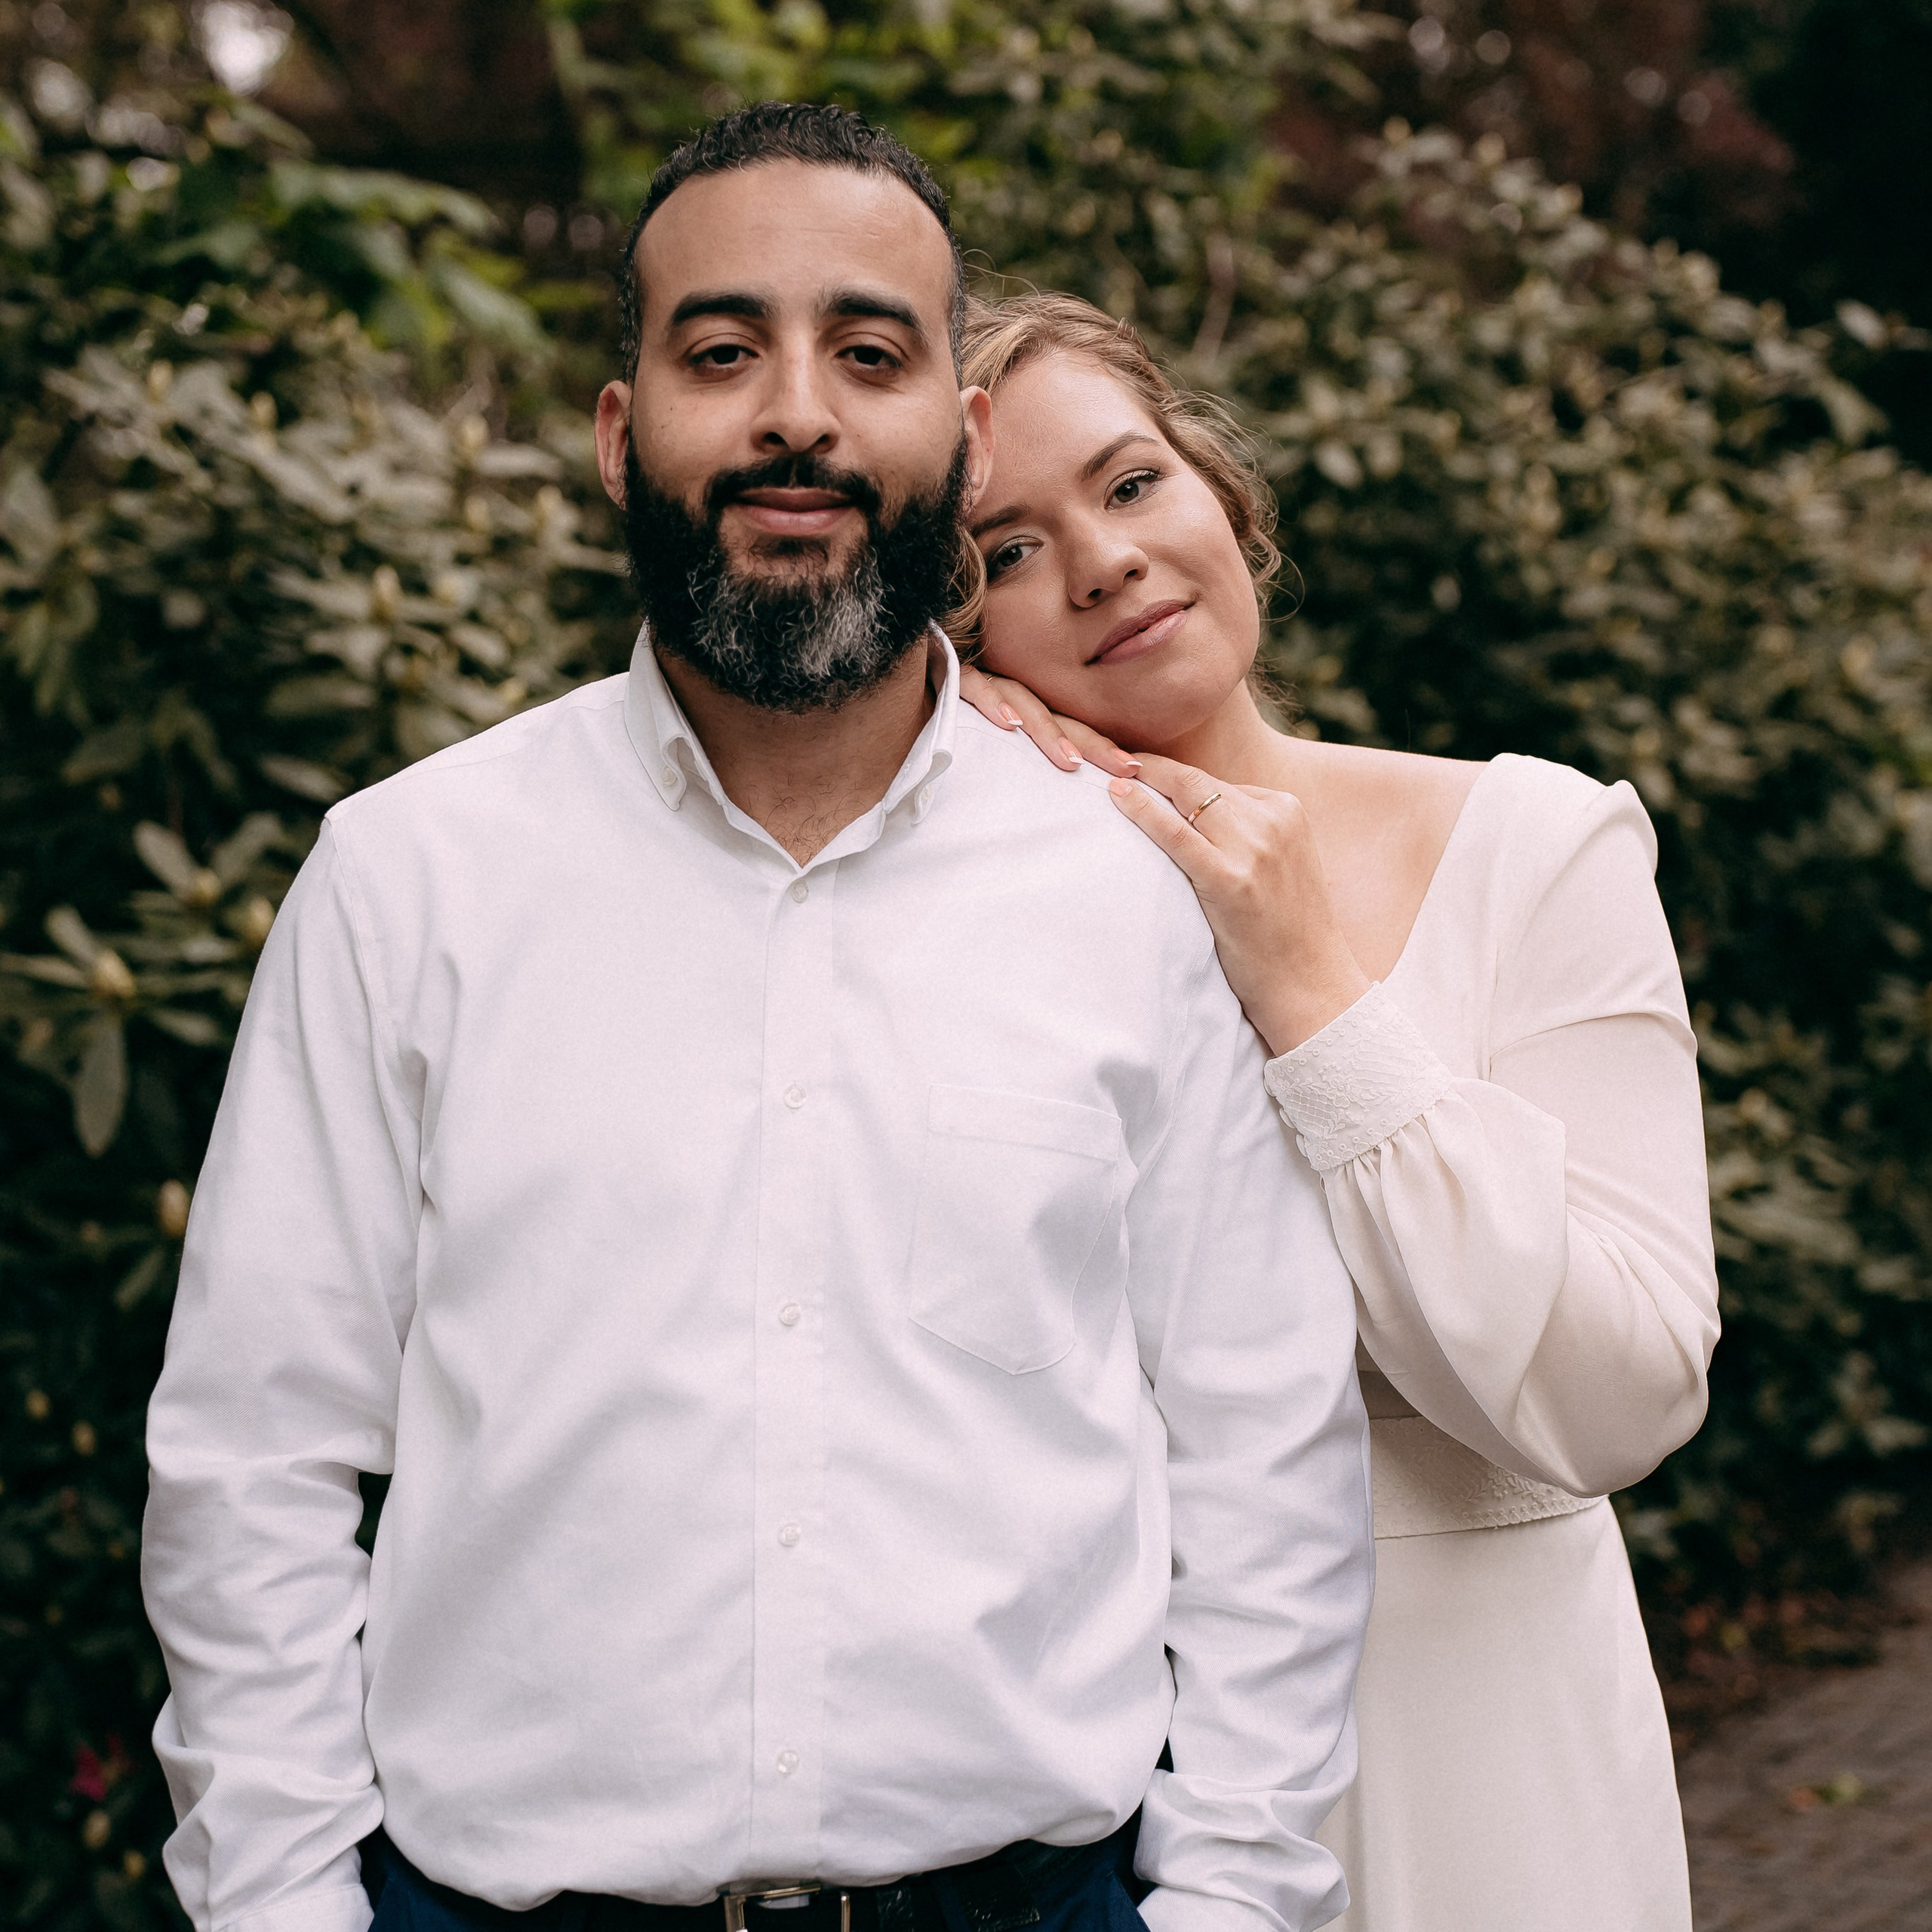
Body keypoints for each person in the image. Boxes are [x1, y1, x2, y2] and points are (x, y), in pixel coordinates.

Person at [140, 108, 1374, 1932]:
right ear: (617, 430)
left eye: (867, 353)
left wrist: (1230, 1903)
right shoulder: (406, 878)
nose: (797, 414)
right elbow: (254, 1458)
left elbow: (1261, 1450)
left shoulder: (1124, 892)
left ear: (961, 440)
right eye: (721, 352)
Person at [951, 291, 1720, 1932]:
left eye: (1132, 482)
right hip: (1092, 1777)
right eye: (1003, 552)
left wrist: (1312, 986)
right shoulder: (950, 945)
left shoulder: (1534, 848)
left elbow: (1627, 1391)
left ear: (1224, 497)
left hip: (1488, 1758)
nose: (1101, 562)